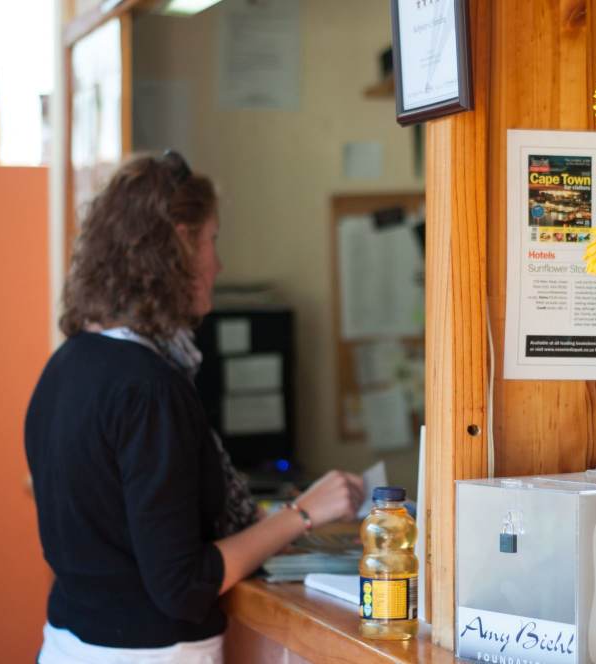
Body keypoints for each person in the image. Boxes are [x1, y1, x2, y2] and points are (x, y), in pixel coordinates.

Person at [25, 151, 364, 663]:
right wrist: (303, 513)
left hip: (66, 645)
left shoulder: (67, 364)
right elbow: (182, 583)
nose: (218, 264)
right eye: (212, 240)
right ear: (180, 244)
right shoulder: (149, 388)